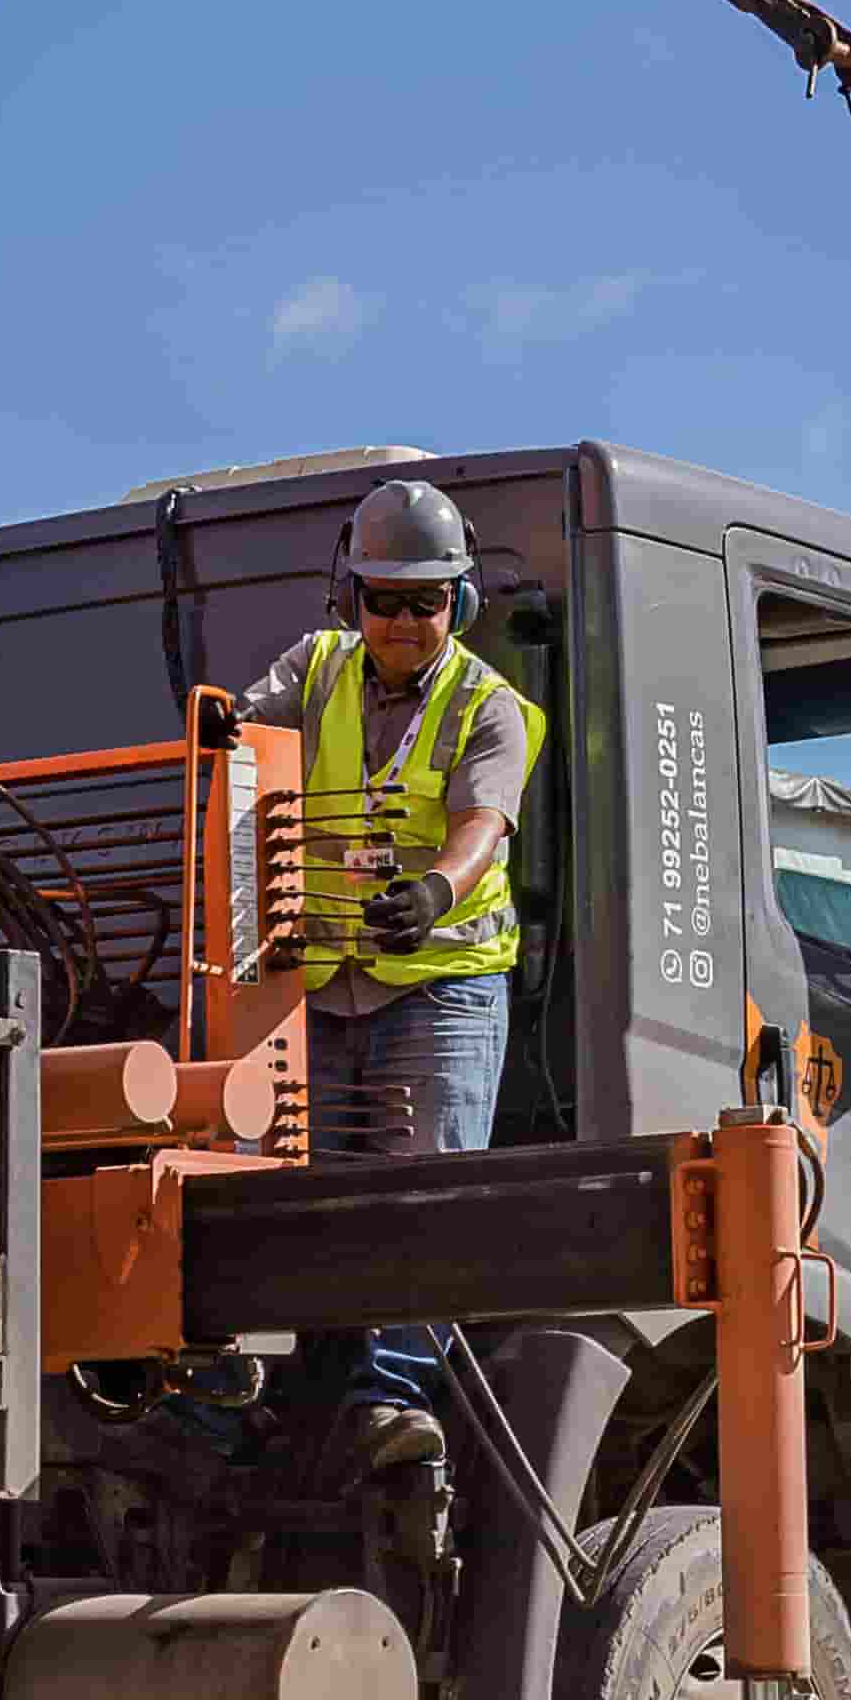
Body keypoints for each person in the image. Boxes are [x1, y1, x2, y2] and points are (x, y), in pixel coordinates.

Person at [238, 475, 535, 1495]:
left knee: (425, 1188)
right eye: (385, 597)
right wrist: (215, 737)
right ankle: (272, 1392)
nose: (406, 620)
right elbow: (236, 737)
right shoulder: (313, 670)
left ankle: (394, 1401)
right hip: (320, 983)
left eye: (428, 599)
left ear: (461, 601)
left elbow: (483, 821)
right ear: (350, 596)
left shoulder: (491, 709)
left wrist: (437, 888)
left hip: (439, 985)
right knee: (282, 1180)